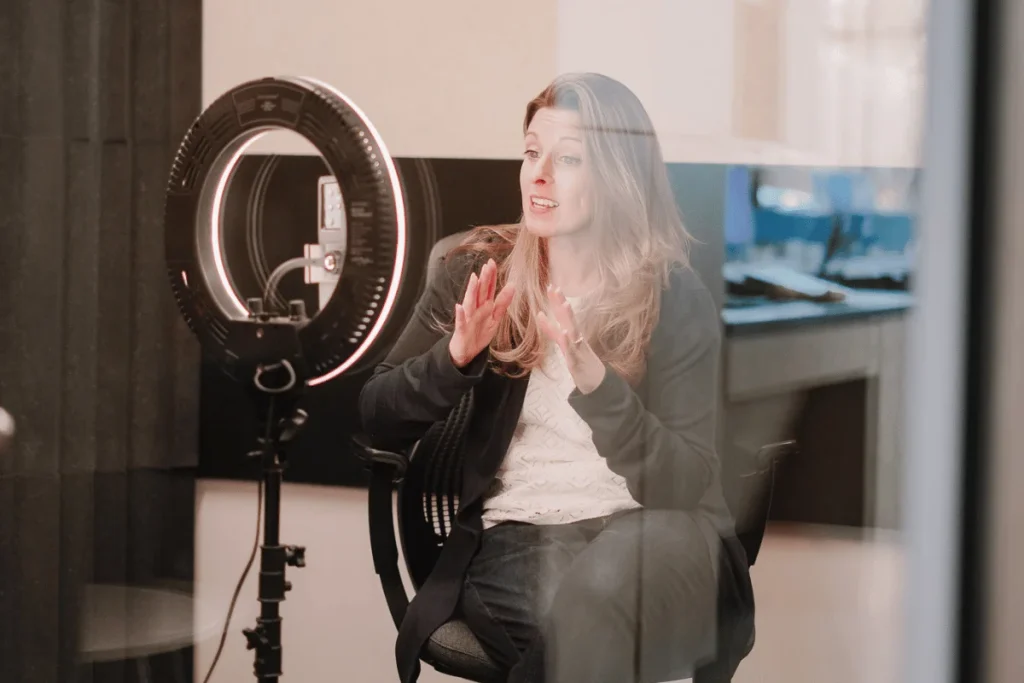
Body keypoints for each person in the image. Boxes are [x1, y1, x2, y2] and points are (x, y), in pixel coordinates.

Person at [359, 72, 755, 683]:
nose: (538, 174)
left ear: (619, 177)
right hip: (523, 533)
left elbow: (683, 483)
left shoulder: (672, 296)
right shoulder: (477, 270)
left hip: (658, 529)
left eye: (567, 158)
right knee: (584, 627)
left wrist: (600, 390)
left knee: (600, 593)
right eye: (531, 151)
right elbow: (377, 413)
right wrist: (454, 360)